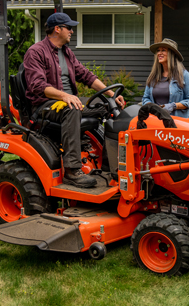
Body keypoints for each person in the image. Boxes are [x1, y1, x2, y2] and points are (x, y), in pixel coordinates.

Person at [24, 12, 125, 188]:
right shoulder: (36, 52)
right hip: (45, 105)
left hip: (69, 103)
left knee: (107, 108)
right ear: (57, 29)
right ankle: (72, 170)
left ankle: (110, 166)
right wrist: (64, 95)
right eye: (69, 28)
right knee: (72, 108)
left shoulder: (67, 53)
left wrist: (112, 95)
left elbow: (86, 76)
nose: (72, 31)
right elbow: (37, 85)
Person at [142, 38, 189, 118]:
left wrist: (172, 106)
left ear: (172, 54)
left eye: (163, 50)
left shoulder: (184, 75)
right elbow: (145, 98)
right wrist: (153, 108)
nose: (159, 53)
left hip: (176, 122)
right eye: (158, 50)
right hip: (155, 121)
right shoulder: (153, 76)